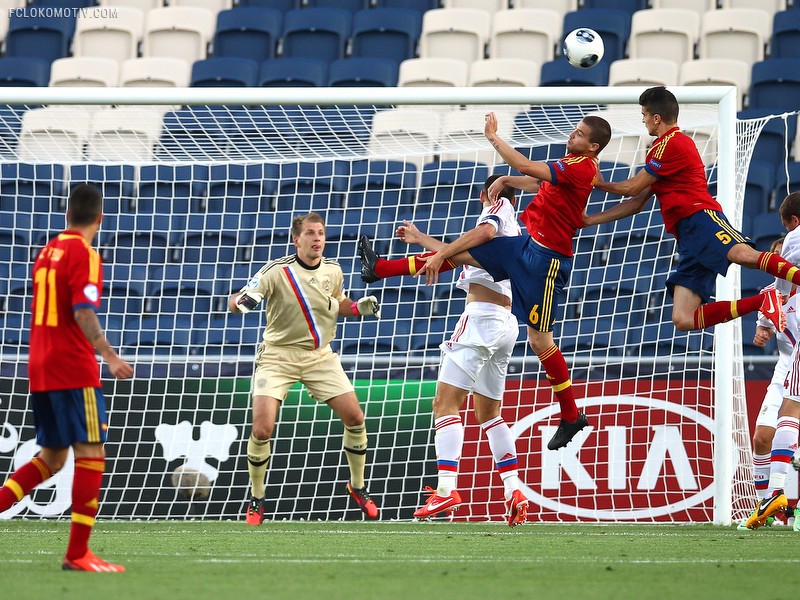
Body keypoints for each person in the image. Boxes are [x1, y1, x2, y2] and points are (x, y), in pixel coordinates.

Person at [359, 111, 613, 451]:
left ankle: (570, 415)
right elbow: (535, 182)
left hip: (544, 264)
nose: (572, 135)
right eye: (574, 130)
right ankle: (380, 269)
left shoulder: (562, 176)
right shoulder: (573, 165)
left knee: (539, 342)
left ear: (593, 146)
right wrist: (507, 180)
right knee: (460, 256)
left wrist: (493, 138)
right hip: (525, 251)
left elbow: (513, 187)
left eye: (579, 134)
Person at [585, 86, 795, 335]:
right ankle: (763, 301)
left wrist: (599, 183)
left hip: (701, 217)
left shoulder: (672, 143)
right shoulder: (660, 150)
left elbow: (632, 188)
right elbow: (636, 203)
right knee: (683, 318)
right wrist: (589, 220)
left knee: (743, 255)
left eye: (644, 114)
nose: (643, 120)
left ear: (656, 118)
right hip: (688, 237)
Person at [0, 184, 134, 572]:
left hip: (41, 365)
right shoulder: (84, 253)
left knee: (53, 458)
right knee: (92, 454)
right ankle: (77, 554)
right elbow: (82, 311)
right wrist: (109, 355)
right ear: (100, 218)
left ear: (67, 214)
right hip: (73, 367)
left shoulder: (48, 251)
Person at [229, 212, 382, 525]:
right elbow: (239, 300)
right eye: (310, 233)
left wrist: (357, 308)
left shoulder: (333, 270)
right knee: (262, 429)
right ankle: (257, 498)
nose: (317, 239)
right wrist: (243, 301)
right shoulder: (276, 271)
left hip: (319, 357)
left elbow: (338, 304)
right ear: (296, 240)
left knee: (355, 418)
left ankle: (357, 487)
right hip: (277, 357)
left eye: (321, 233)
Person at [399, 175, 528, 526]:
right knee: (489, 414)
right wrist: (423, 240)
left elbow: (482, 233)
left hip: (481, 319)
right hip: (505, 323)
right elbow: (462, 254)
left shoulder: (497, 210)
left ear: (485, 194)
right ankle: (513, 490)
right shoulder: (512, 229)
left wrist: (438, 252)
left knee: (444, 405)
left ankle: (446, 490)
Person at [746, 192, 800, 529]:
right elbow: (763, 328)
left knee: (790, 420)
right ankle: (767, 508)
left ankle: (784, 500)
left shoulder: (793, 291)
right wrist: (762, 330)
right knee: (762, 437)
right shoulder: (770, 297)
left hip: (797, 366)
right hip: (785, 371)